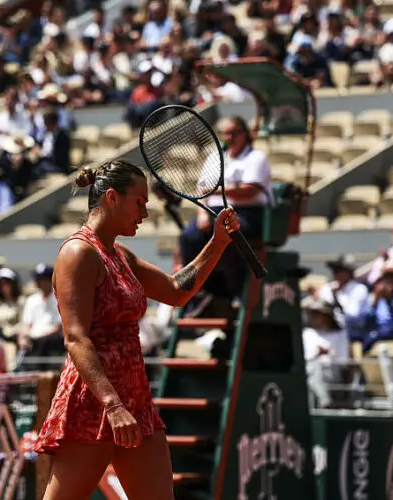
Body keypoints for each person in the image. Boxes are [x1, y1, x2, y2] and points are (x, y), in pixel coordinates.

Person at [34, 159, 242, 499]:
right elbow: (76, 338)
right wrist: (113, 406)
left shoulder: (119, 255)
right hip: (95, 401)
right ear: (112, 198)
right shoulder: (77, 253)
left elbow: (176, 291)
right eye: (140, 202)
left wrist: (218, 241)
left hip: (136, 399)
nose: (145, 212)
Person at [179, 115, 272, 303]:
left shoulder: (256, 158)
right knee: (189, 236)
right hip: (214, 211)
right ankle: (200, 290)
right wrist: (203, 214)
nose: (229, 138)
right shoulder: (215, 157)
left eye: (233, 133)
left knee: (230, 235)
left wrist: (218, 190)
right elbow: (202, 189)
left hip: (248, 214)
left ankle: (235, 290)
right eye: (224, 134)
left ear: (244, 134)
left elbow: (250, 190)